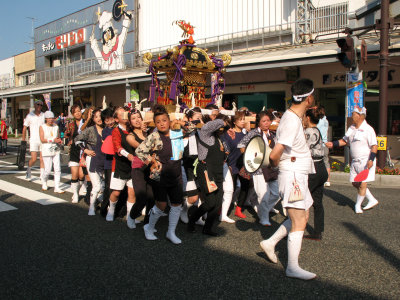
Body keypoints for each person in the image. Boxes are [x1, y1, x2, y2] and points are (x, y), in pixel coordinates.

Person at [260, 78, 316, 280]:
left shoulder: (292, 117)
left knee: (303, 216)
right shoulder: (291, 120)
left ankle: (270, 243)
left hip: (296, 174)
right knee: (299, 220)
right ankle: (292, 267)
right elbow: (275, 154)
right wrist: (277, 166)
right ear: (309, 99)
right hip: (292, 176)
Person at [135, 105, 185, 244]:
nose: (162, 123)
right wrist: (151, 161)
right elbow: (139, 151)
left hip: (176, 174)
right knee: (161, 205)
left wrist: (181, 122)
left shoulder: (177, 132)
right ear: (155, 124)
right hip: (160, 176)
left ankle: (171, 232)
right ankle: (149, 228)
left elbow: (193, 128)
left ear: (169, 121)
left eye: (164, 120)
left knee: (176, 204)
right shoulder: (154, 136)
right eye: (158, 122)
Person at [326, 106, 378, 214]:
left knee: (363, 184)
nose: (352, 116)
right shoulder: (351, 128)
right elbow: (345, 141)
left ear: (360, 116)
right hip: (355, 161)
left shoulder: (369, 129)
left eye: (354, 114)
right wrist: (333, 144)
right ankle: (372, 199)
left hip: (365, 160)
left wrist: (371, 160)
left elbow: (374, 146)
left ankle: (357, 205)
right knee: (355, 183)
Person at [237, 110, 279, 226]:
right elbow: (241, 145)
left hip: (271, 167)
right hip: (258, 168)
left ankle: (262, 209)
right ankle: (264, 218)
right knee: (263, 195)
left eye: (268, 120)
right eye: (263, 121)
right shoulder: (254, 133)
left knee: (276, 194)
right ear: (258, 122)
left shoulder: (273, 134)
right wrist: (250, 155)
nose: (267, 123)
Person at [187, 117, 228, 236]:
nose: (222, 129)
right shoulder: (205, 135)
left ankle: (207, 228)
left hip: (218, 172)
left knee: (217, 203)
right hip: (206, 172)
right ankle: (192, 220)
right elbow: (208, 126)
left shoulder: (220, 138)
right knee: (210, 202)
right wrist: (222, 119)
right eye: (221, 127)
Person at [106, 107, 136, 223]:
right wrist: (128, 155)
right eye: (122, 114)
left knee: (132, 192)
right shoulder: (116, 131)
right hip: (120, 165)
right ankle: (111, 209)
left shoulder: (132, 129)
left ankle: (130, 216)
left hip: (133, 166)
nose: (125, 115)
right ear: (117, 119)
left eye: (126, 113)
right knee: (116, 192)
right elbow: (117, 147)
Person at [304, 107, 329, 240]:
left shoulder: (308, 132)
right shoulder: (318, 130)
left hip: (312, 168)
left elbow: (303, 149)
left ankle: (295, 229)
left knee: (301, 199)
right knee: (317, 201)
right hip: (321, 168)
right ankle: (318, 232)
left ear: (307, 118)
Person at [75, 108, 105, 216]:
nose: (99, 119)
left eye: (100, 116)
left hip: (105, 159)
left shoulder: (107, 128)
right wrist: (85, 150)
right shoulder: (90, 130)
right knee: (96, 185)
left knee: (104, 186)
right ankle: (91, 207)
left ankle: (100, 201)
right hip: (92, 158)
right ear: (93, 118)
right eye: (96, 116)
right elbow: (77, 139)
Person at [125, 109, 151, 228]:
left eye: (138, 117)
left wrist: (147, 133)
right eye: (133, 118)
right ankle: (131, 216)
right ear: (130, 122)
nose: (137, 120)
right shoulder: (130, 136)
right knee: (141, 198)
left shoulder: (148, 133)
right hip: (138, 169)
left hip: (151, 168)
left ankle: (148, 223)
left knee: (152, 198)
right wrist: (147, 136)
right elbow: (141, 148)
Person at [223, 111, 250, 219]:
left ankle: (239, 208)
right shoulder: (229, 134)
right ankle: (224, 209)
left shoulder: (246, 134)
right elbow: (226, 149)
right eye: (240, 119)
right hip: (232, 163)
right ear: (234, 122)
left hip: (243, 164)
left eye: (244, 119)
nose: (243, 121)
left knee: (245, 186)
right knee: (230, 188)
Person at [39, 111, 64, 193]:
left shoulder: (56, 126)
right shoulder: (42, 127)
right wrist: (52, 139)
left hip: (56, 149)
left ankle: (57, 187)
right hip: (46, 149)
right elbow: (42, 140)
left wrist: (59, 140)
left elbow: (58, 136)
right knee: (48, 170)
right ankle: (44, 181)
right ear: (46, 118)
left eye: (52, 118)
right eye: (49, 118)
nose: (51, 120)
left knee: (57, 169)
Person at [65, 105, 85, 203]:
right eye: (75, 112)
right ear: (73, 114)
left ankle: (81, 188)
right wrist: (69, 140)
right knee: (74, 175)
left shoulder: (85, 122)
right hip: (74, 151)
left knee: (81, 175)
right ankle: (75, 194)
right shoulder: (71, 124)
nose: (77, 113)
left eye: (79, 111)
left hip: (84, 151)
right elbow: (66, 134)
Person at [22, 100, 45, 181]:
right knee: (34, 159)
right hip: (33, 139)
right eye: (38, 104)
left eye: (41, 105)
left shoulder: (43, 115)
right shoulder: (29, 116)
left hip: (42, 139)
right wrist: (23, 140)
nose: (39, 106)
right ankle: (29, 169)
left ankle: (42, 176)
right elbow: (25, 128)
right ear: (35, 105)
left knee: (42, 158)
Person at [100, 108, 116, 217]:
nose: (110, 122)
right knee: (108, 186)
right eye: (107, 120)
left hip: (118, 162)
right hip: (109, 162)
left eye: (111, 119)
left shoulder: (118, 128)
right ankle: (104, 208)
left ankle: (114, 207)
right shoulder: (105, 131)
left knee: (116, 187)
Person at [317, 106, 331, 187]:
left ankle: (320, 179)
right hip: (325, 143)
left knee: (318, 162)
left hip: (319, 144)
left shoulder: (319, 121)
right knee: (326, 162)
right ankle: (328, 180)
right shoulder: (326, 121)